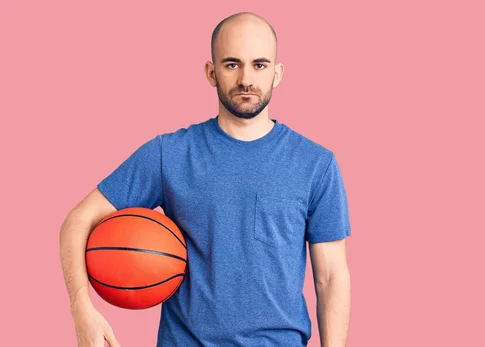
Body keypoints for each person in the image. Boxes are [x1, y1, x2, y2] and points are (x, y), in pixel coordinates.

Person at [59, 11, 351, 347]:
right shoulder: (168, 154)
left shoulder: (316, 164)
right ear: (211, 72)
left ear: (277, 73)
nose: (246, 79)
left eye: (259, 65)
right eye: (231, 64)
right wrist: (83, 312)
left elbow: (330, 277)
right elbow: (77, 221)